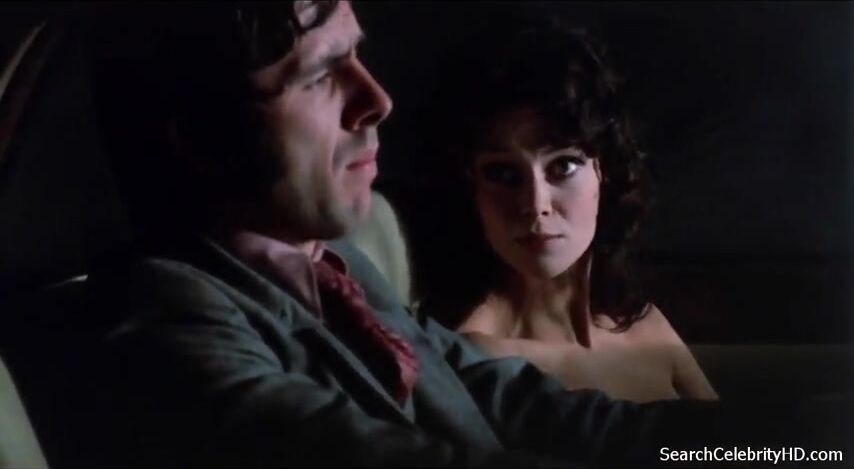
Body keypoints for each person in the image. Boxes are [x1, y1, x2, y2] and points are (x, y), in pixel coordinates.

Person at [83, 2, 813, 467]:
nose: (376, 100)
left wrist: (795, 446)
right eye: (320, 75)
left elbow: (538, 409)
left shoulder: (340, 269)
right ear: (202, 137)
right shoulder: (167, 320)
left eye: (358, 56)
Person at [416, 21, 716, 403]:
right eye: (502, 174)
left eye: (563, 166)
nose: (535, 205)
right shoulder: (477, 357)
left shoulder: (645, 325)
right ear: (470, 185)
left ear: (604, 171)